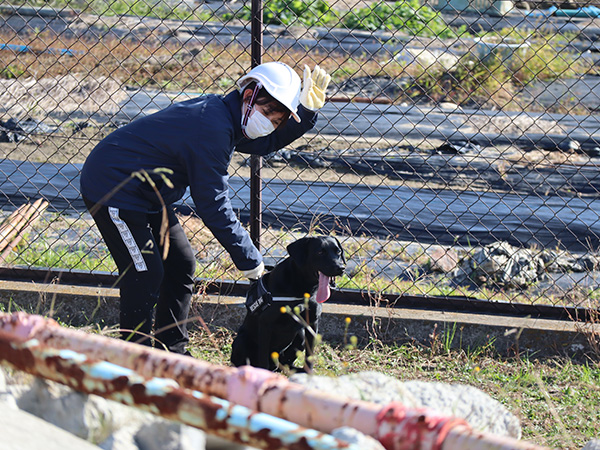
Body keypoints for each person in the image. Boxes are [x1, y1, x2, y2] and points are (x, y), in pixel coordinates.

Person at [80, 62, 331, 355]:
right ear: (249, 95)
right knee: (145, 274)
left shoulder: (227, 117)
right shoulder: (211, 127)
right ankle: (134, 359)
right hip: (114, 188)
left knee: (180, 264)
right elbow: (212, 203)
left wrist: (306, 114)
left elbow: (265, 144)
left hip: (147, 193)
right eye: (267, 114)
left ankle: (171, 351)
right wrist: (251, 262)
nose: (269, 124)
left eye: (276, 121)